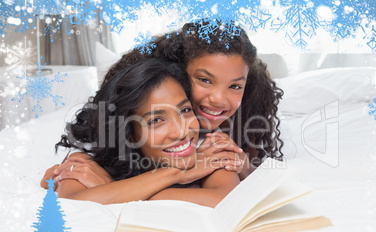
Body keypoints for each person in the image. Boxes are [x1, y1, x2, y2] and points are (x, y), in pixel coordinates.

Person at [41, 18, 283, 189]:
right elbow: (87, 170)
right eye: (204, 80)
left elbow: (228, 189)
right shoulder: (137, 112)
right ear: (177, 72)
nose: (218, 99)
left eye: (234, 86)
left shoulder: (237, 124)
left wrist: (245, 168)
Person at [54, 58, 240, 208]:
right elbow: (70, 204)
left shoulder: (209, 152)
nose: (181, 131)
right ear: (130, 134)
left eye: (184, 111)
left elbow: (226, 201)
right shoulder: (88, 164)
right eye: (156, 120)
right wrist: (175, 173)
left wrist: (111, 190)